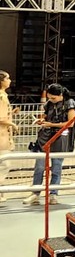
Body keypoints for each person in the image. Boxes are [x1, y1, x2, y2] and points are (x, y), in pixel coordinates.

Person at [23, 84, 75, 206]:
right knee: (39, 167)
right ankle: (35, 194)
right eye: (49, 98)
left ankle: (53, 194)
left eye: (53, 98)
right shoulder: (49, 104)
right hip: (44, 138)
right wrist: (42, 120)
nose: (51, 100)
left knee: (56, 167)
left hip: (60, 139)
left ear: (61, 95)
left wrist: (51, 125)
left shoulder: (69, 103)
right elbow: (47, 116)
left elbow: (70, 123)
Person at [0, 71, 17, 204]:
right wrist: (13, 124)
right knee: (4, 164)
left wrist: (12, 112)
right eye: (7, 78)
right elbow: (1, 118)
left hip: (4, 134)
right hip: (2, 136)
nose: (9, 80)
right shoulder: (1, 97)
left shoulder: (3, 96)